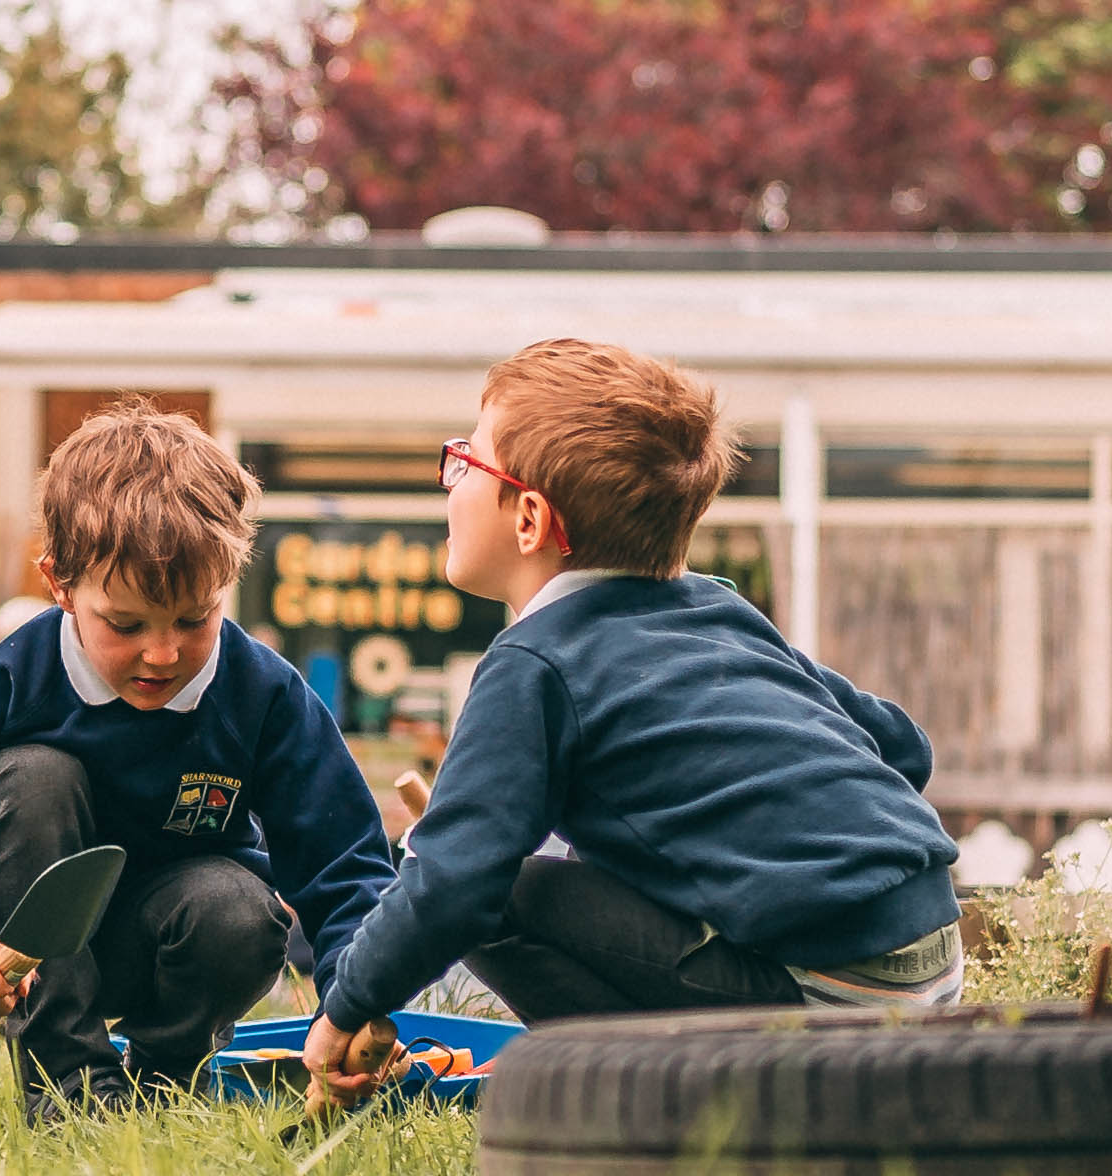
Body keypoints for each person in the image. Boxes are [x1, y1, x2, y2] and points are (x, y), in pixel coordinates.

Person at [302, 339, 962, 1103]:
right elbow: (901, 748)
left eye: (466, 463)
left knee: (508, 897)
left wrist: (343, 1007)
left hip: (822, 1016)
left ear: (528, 518)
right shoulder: (718, 609)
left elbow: (454, 883)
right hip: (929, 975)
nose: (450, 480)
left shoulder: (535, 663)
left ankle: (658, 1102)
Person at [0, 408, 397, 1114]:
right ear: (60, 584)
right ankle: (68, 1089)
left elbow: (344, 864)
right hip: (29, 946)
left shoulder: (263, 693)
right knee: (34, 775)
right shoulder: (17, 677)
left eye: (195, 619)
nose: (162, 653)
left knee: (239, 911)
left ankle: (160, 1082)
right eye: (126, 624)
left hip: (170, 937)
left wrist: (354, 1003)